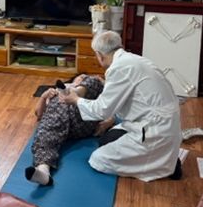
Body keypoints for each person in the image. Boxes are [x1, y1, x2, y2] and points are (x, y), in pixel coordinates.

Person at [59, 30, 182, 181]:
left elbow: (102, 110)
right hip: (164, 124)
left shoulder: (118, 68)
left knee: (98, 159)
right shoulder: (135, 60)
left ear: (99, 55)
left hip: (155, 131)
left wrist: (76, 100)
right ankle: (164, 158)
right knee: (106, 140)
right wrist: (105, 84)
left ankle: (164, 166)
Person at [25, 74, 112, 186]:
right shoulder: (55, 91)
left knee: (94, 81)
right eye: (80, 77)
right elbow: (39, 114)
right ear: (73, 79)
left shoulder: (93, 88)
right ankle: (43, 172)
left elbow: (110, 107)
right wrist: (43, 97)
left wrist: (109, 121)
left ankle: (74, 94)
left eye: (84, 77)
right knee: (43, 135)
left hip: (82, 117)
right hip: (57, 118)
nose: (83, 78)